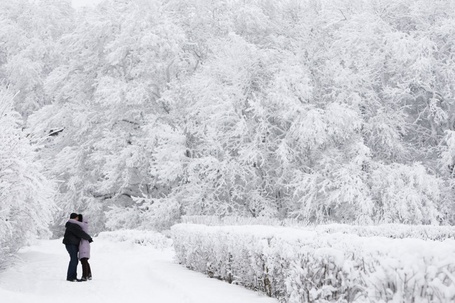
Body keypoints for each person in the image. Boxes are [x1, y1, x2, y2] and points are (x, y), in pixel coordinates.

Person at [62, 213, 93, 282]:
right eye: (77, 218)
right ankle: (71, 277)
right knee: (74, 259)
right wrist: (89, 238)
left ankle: (73, 276)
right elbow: (80, 233)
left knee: (74, 259)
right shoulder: (73, 225)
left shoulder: (71, 224)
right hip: (71, 244)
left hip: (71, 243)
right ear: (75, 218)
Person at [77, 214, 92, 281]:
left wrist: (71, 220)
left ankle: (85, 276)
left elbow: (73, 222)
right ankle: (88, 275)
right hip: (84, 244)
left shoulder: (82, 225)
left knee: (84, 260)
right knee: (85, 260)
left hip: (84, 244)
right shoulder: (84, 224)